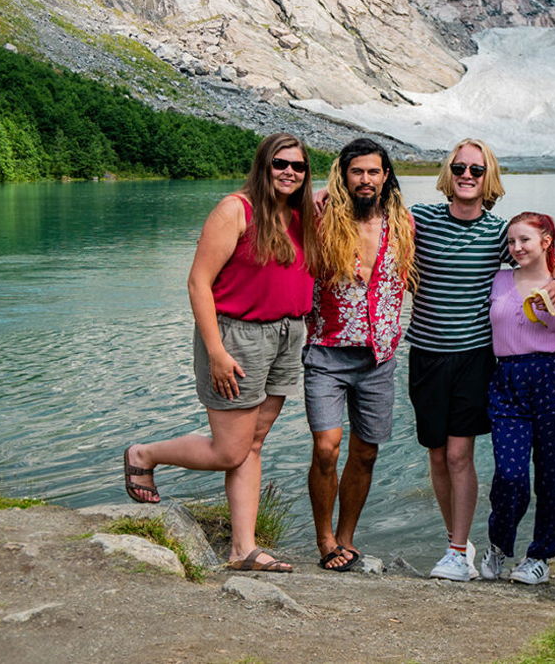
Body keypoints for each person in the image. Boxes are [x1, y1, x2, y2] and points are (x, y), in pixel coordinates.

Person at [122, 132, 318, 572]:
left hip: (288, 336)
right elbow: (198, 283)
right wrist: (215, 350)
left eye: (298, 166)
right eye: (279, 164)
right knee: (230, 449)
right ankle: (144, 454)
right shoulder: (235, 209)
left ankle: (242, 549)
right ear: (263, 165)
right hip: (238, 337)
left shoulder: (303, 214)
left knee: (253, 444)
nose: (289, 172)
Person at [406, 138, 555, 581]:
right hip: (426, 352)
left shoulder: (500, 233)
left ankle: (458, 552)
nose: (466, 176)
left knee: (460, 454)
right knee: (437, 456)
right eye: (459, 167)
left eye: (476, 171)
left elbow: (548, 260)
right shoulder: (418, 219)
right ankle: (458, 541)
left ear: (487, 179)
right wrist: (324, 194)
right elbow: (369, 226)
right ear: (448, 172)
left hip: (476, 358)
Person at [303, 138, 415, 572]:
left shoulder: (403, 222)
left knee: (366, 453)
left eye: (373, 171)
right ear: (343, 176)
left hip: (379, 356)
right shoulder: (320, 217)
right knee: (327, 448)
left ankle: (346, 536)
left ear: (385, 175)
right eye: (357, 172)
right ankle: (324, 537)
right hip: (327, 350)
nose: (365, 179)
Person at [478, 213, 555, 585]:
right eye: (512, 242)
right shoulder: (499, 279)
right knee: (510, 473)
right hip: (507, 378)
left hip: (554, 376)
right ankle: (499, 545)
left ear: (546, 241)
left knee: (554, 473)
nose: (516, 248)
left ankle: (540, 555)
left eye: (525, 241)